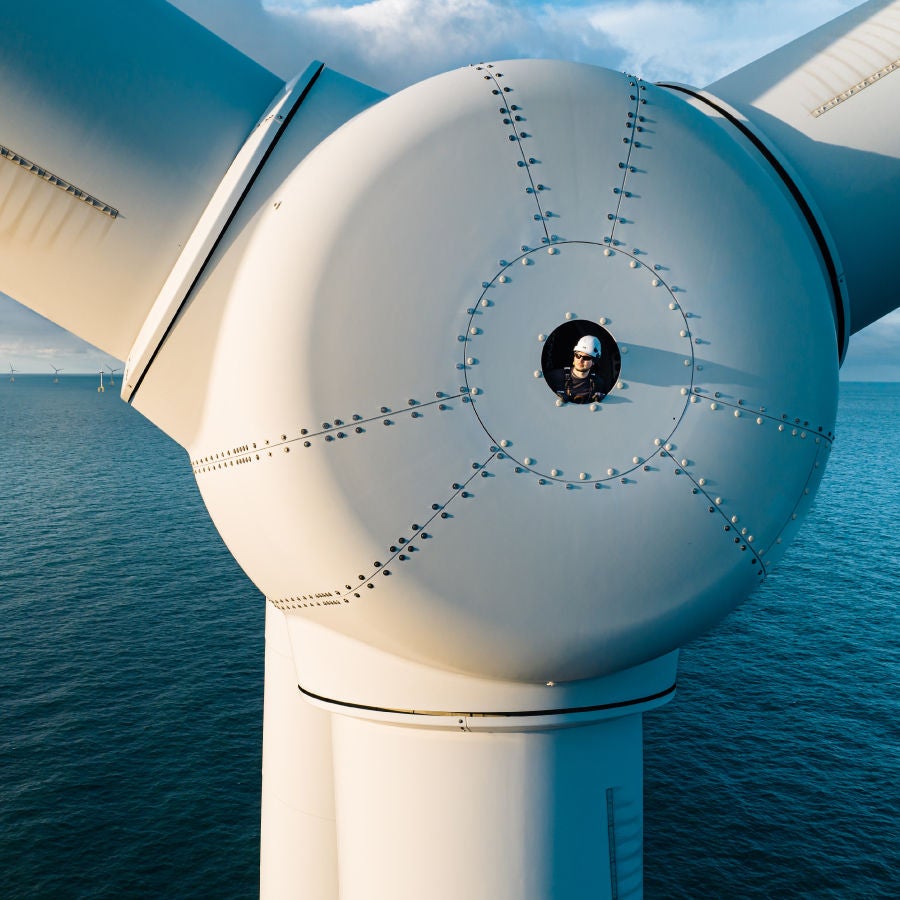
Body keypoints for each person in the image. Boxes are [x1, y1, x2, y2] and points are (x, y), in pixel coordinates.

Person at [546, 335, 605, 404]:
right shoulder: (555, 376)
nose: (580, 360)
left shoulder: (598, 383)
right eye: (578, 355)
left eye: (586, 358)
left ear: (594, 362)